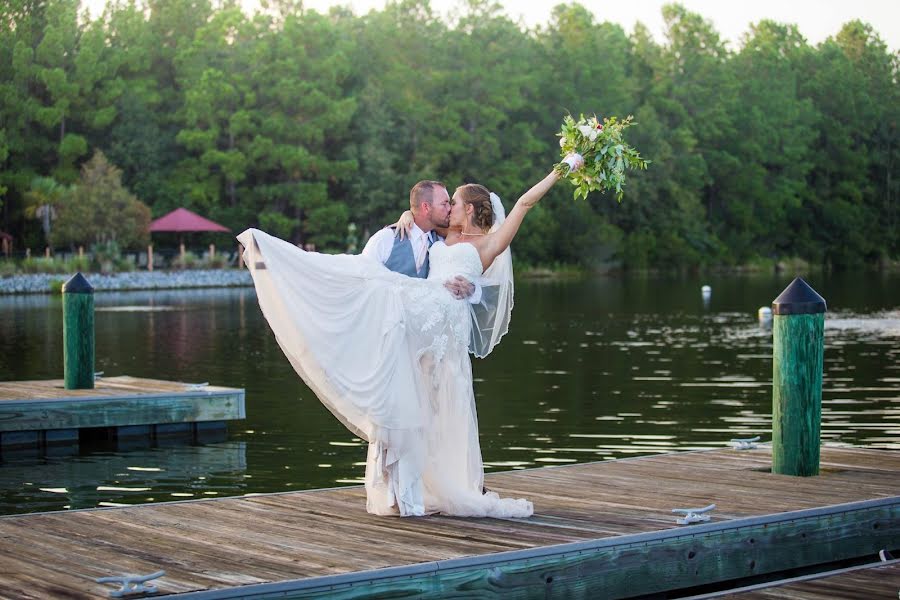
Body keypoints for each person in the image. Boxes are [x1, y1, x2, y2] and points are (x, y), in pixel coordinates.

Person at [237, 153, 583, 518]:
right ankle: (281, 259)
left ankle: (437, 483)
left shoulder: (489, 243)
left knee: (438, 401)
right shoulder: (442, 234)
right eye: (446, 202)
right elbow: (419, 220)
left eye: (455, 202)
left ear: (470, 209)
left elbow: (525, 203)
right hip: (422, 313)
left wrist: (565, 166)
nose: (449, 207)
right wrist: (407, 216)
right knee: (369, 280)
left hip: (445, 323)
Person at [362, 180, 478, 302]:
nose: (449, 209)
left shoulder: (442, 245)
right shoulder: (386, 238)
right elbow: (362, 278)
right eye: (444, 204)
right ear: (426, 207)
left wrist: (471, 289)